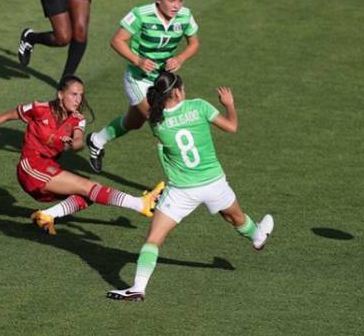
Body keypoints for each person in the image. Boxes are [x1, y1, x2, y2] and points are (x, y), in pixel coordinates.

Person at [106, 72, 274, 301]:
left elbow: (164, 151)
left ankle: (138, 286)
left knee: (154, 239)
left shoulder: (157, 122)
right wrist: (230, 105)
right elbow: (232, 127)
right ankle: (257, 237)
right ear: (177, 91)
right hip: (214, 183)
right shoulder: (199, 107)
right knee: (235, 218)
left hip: (181, 190)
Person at [0, 75, 163, 235]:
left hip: (49, 168)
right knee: (89, 187)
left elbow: (78, 142)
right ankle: (139, 204)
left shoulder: (78, 120)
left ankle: (46, 215)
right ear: (60, 95)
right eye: (73, 94)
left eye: (80, 95)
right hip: (30, 168)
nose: (78, 99)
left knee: (88, 195)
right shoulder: (39, 109)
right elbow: (6, 116)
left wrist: (73, 143)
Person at [86, 0, 200, 173]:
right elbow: (117, 41)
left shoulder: (185, 16)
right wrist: (137, 60)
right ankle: (178, 176)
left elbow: (194, 43)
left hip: (161, 81)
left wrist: (180, 59)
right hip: (138, 79)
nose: (176, 6)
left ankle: (96, 140)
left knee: (134, 123)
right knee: (160, 123)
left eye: (180, 1)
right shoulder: (141, 14)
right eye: (172, 1)